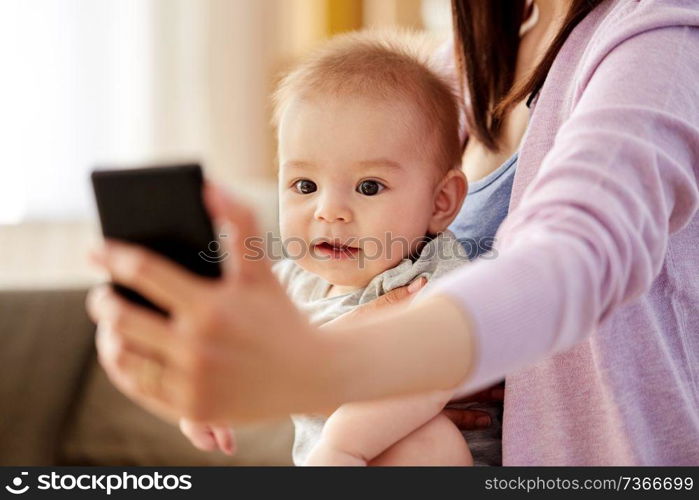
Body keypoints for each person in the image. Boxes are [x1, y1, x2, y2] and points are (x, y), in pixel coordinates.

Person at [86, 0, 699, 465]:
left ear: (443, 203)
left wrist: (322, 373)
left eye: (369, 190)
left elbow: (574, 262)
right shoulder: (451, 67)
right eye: (302, 188)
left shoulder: (661, 41)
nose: (330, 212)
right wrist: (205, 365)